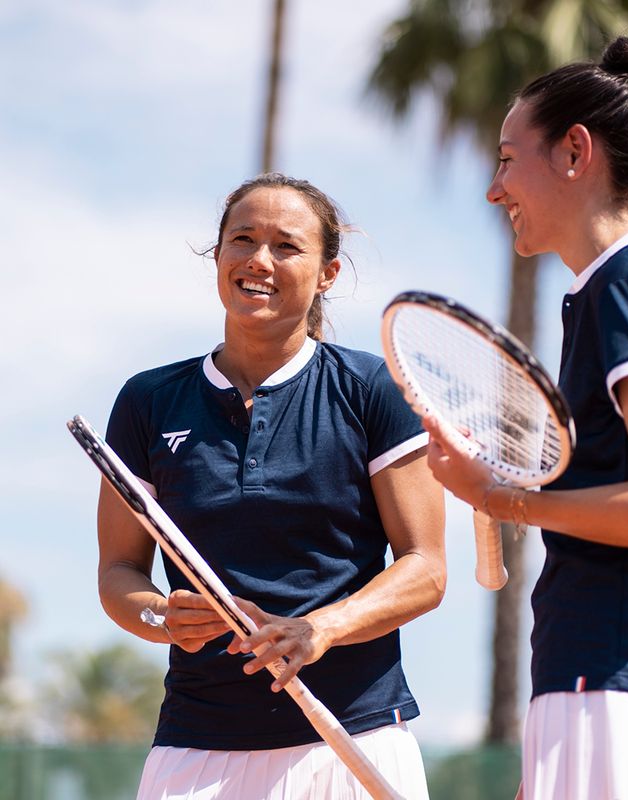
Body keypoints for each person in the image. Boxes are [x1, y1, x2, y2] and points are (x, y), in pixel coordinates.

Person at [423, 33, 628, 800]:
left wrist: (499, 500)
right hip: (627, 684)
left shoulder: (626, 285)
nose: (494, 190)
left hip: (624, 682)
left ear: (573, 153)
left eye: (505, 158)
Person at [97, 172, 446, 800]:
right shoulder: (148, 401)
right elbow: (120, 572)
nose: (259, 259)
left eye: (286, 246)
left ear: (327, 274)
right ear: (219, 256)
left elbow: (425, 571)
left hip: (354, 738)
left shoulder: (371, 390)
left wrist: (321, 629)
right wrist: (160, 616)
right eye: (242, 239)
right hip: (194, 748)